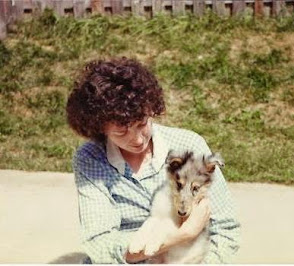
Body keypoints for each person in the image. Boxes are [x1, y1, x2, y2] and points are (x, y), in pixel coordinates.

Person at [66, 57, 240, 264]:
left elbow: (226, 229)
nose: (138, 139)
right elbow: (100, 246)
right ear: (99, 128)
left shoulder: (189, 146)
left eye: (142, 123)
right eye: (121, 132)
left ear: (151, 109)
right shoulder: (91, 158)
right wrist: (184, 234)